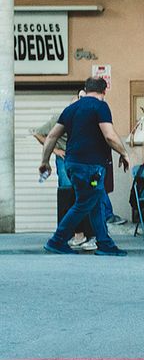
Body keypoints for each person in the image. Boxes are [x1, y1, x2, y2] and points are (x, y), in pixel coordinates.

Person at [38, 77, 131, 256]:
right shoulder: (100, 106)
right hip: (91, 166)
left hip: (72, 163)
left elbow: (51, 137)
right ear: (104, 92)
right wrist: (124, 153)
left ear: (86, 89)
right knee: (84, 203)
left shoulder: (71, 109)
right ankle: (57, 240)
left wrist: (45, 162)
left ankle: (104, 243)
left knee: (94, 203)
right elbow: (109, 136)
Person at [32, 93, 93, 250]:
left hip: (82, 160)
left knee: (85, 195)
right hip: (64, 159)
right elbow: (39, 134)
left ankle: (84, 234)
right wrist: (56, 151)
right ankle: (68, 234)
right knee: (68, 193)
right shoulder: (59, 118)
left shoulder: (87, 119)